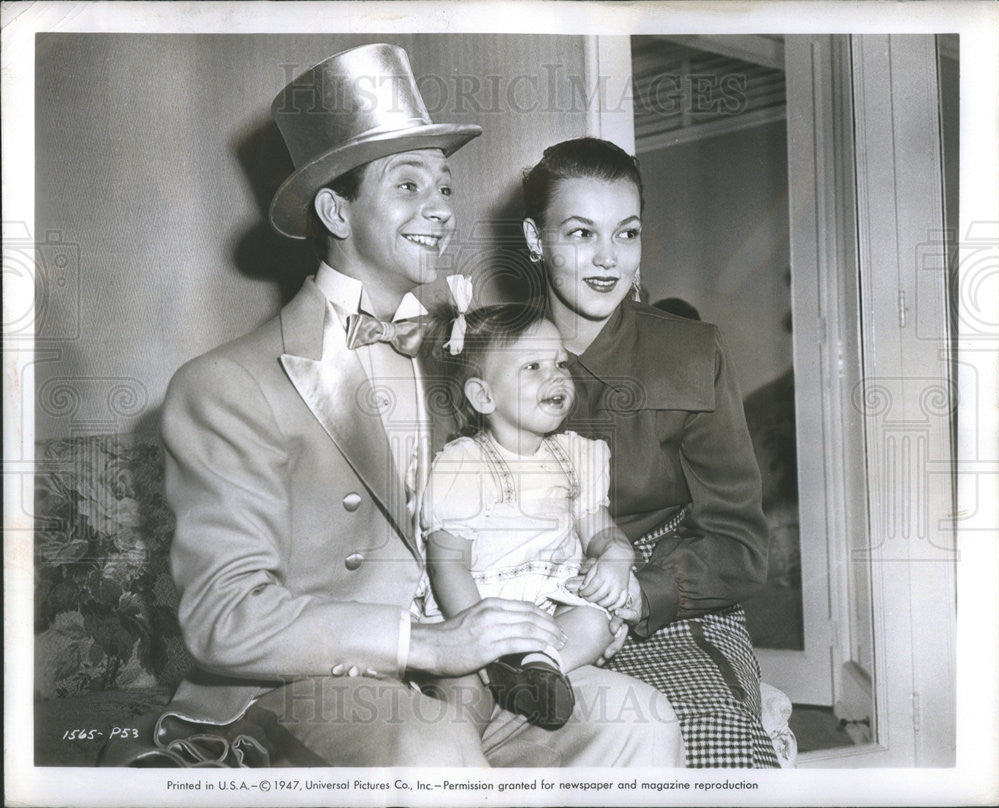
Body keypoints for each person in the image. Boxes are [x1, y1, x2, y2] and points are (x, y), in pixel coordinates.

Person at [152, 46, 681, 768]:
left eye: (445, 187)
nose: (439, 210)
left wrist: (582, 596)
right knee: (432, 745)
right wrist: (429, 643)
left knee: (640, 720)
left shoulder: (470, 357)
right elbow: (225, 618)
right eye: (409, 186)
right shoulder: (225, 385)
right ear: (337, 210)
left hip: (476, 677)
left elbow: (538, 504)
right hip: (313, 684)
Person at [521, 136, 779, 768]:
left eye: (627, 233)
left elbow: (740, 544)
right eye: (580, 234)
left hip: (664, 602)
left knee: (713, 751)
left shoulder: (692, 354)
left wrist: (640, 594)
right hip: (525, 615)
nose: (608, 259)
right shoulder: (481, 352)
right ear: (535, 240)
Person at [416, 302, 680, 755]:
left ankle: (539, 670)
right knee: (460, 702)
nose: (556, 376)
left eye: (559, 362)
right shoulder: (464, 465)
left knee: (596, 619)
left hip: (546, 612)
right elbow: (448, 566)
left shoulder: (573, 457)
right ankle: (496, 687)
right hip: (478, 609)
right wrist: (478, 635)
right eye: (533, 367)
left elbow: (602, 532)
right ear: (484, 397)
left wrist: (617, 558)